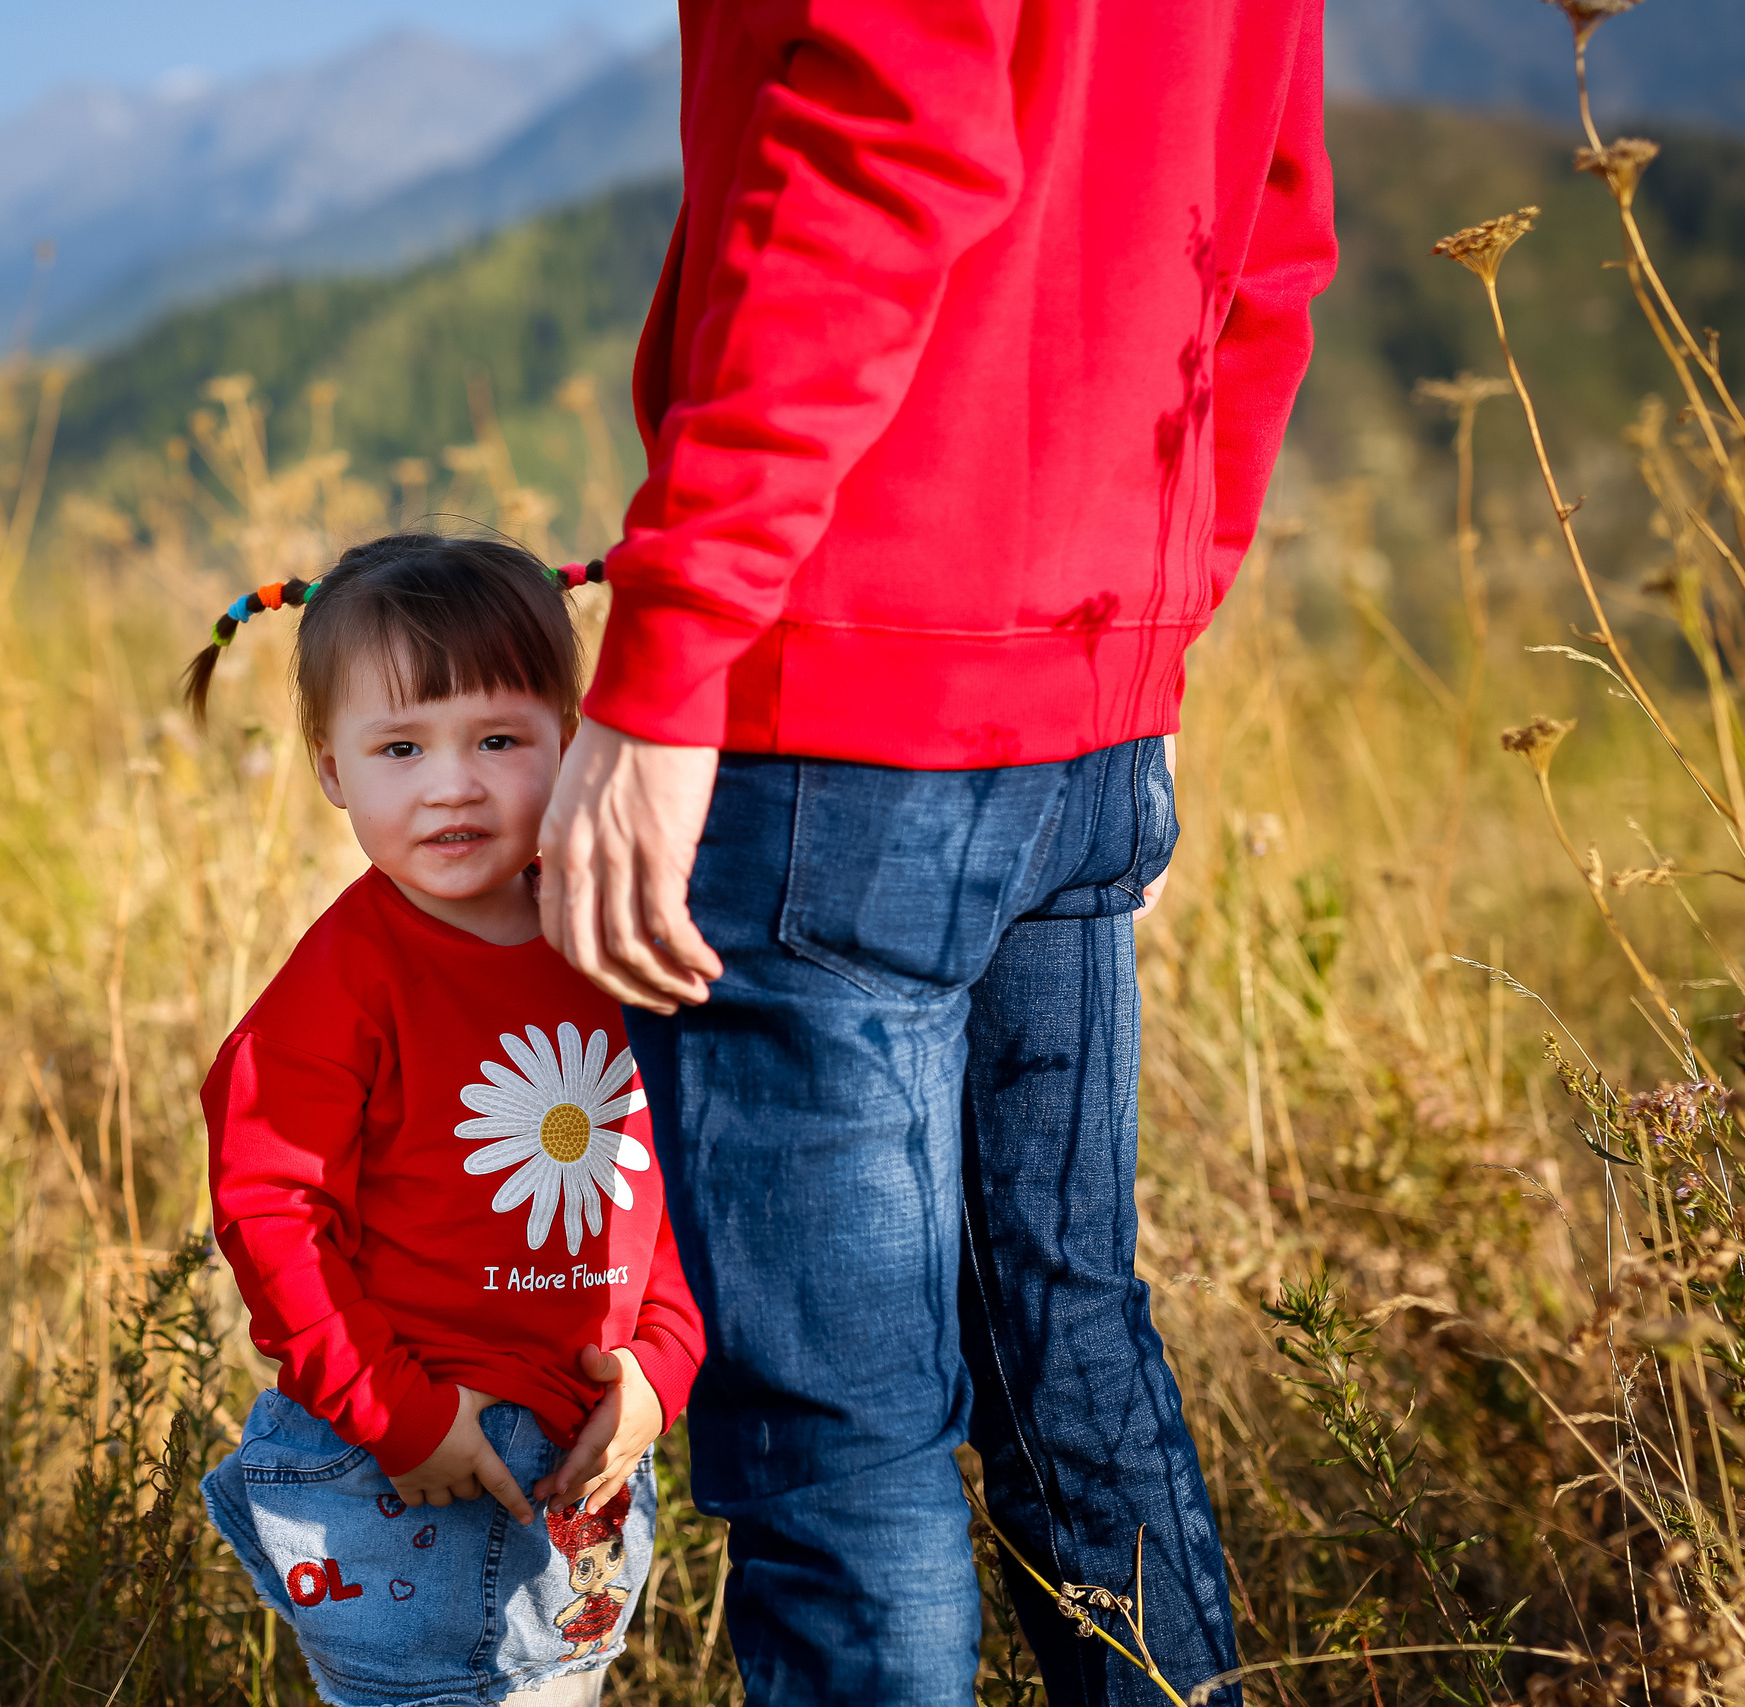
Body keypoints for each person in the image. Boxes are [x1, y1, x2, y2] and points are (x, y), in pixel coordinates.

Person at [536, 1, 1337, 1703]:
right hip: (1084, 685)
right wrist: (1153, 636)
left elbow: (886, 138)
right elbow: (1266, 234)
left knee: (842, 1436)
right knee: (1073, 1347)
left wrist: (673, 647)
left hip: (839, 691)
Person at [190, 536, 707, 1707]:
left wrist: (660, 1367)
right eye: (402, 747)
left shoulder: (617, 940)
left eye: (498, 740)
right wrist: (397, 1413)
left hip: (585, 1459)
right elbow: (269, 1210)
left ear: (573, 741)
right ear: (332, 769)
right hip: (405, 1460)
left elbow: (683, 1168)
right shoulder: (343, 982)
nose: (452, 784)